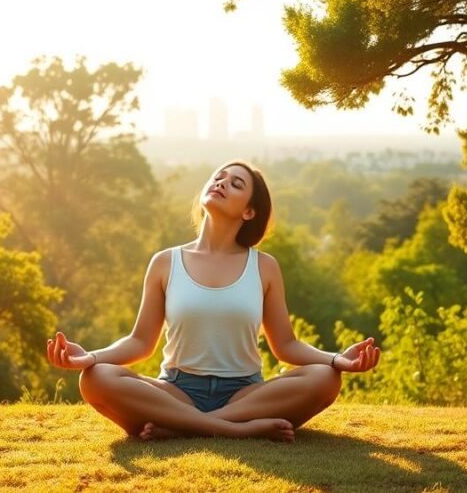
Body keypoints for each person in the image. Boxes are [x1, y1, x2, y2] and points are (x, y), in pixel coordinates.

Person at [45, 160, 381, 441]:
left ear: (249, 211)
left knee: (325, 378)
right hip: (177, 391)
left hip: (245, 394)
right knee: (95, 378)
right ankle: (234, 430)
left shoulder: (264, 267)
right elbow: (140, 342)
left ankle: (182, 428)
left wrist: (336, 359)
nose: (221, 183)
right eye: (218, 177)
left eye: (236, 184)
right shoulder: (165, 262)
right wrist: (89, 357)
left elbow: (286, 346)